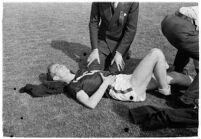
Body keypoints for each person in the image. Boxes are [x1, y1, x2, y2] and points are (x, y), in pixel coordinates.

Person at [47, 48, 193, 109]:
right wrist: (105, 83)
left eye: (59, 64)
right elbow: (90, 104)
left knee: (171, 77)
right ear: (55, 78)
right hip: (121, 87)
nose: (60, 66)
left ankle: (194, 83)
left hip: (123, 78)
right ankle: (166, 93)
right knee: (156, 53)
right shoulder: (73, 86)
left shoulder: (80, 72)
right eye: (56, 68)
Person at [161, 5, 199, 107]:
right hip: (183, 28)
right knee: (189, 41)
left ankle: (177, 73)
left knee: (186, 46)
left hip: (167, 21)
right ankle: (186, 100)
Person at [87, 2, 139, 74]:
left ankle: (124, 53)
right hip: (103, 41)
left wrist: (120, 52)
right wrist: (95, 49)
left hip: (120, 44)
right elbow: (93, 23)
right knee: (92, 70)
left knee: (113, 74)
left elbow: (131, 30)